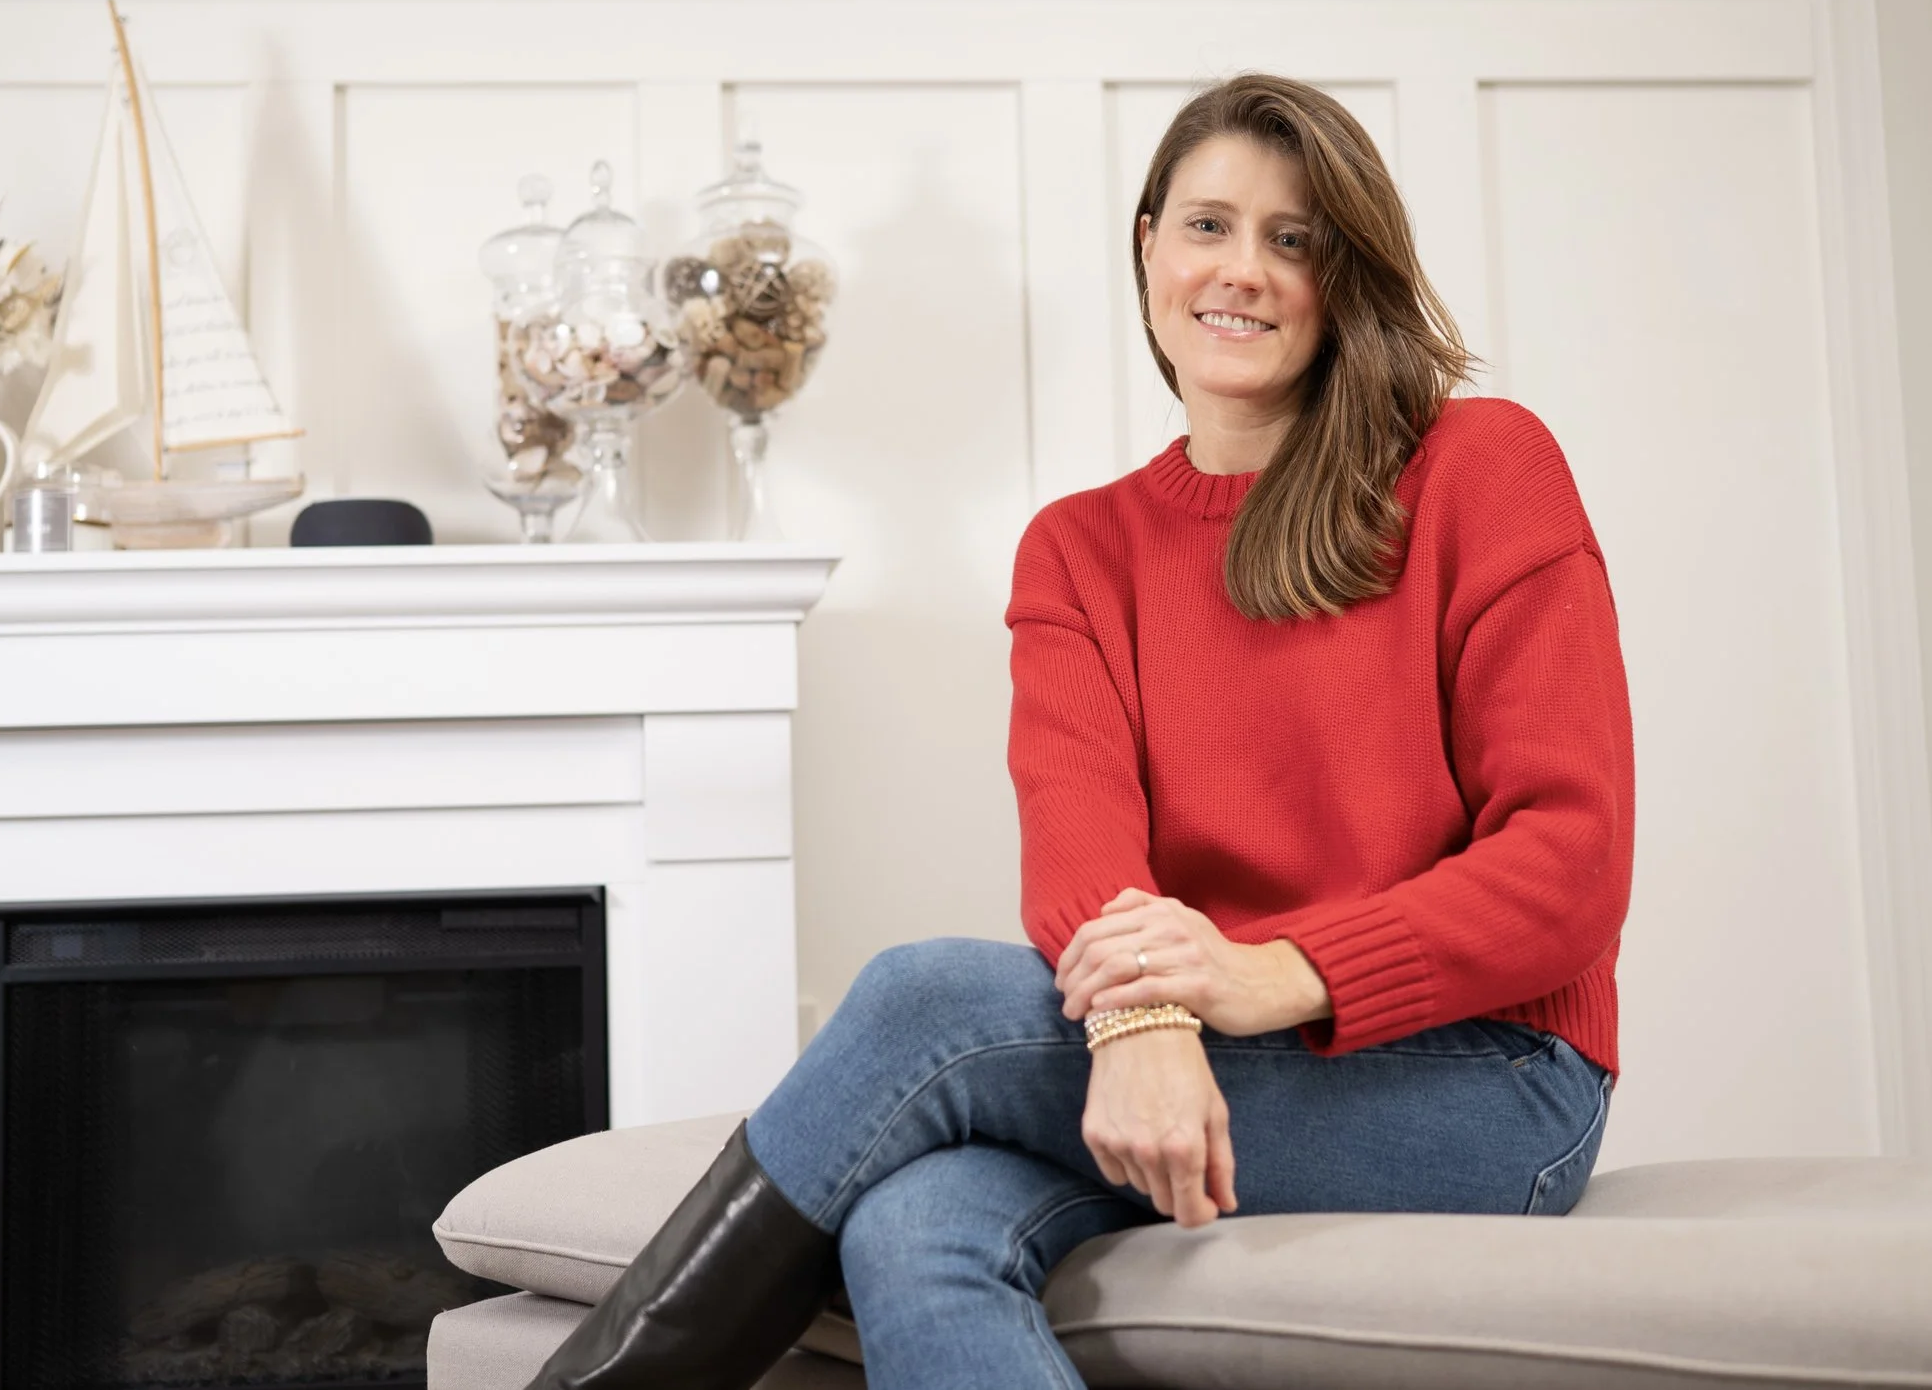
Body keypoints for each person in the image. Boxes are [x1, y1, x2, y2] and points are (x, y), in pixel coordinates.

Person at [522, 73, 1632, 1390]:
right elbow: (1078, 830)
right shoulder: (1082, 550)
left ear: (1349, 276)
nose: (1246, 269)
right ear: (1149, 245)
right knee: (915, 1221)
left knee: (924, 999)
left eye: (1296, 238)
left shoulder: (1478, 466)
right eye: (1209, 225)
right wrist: (1144, 1023)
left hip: (1481, 1080)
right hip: (1194, 1056)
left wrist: (1264, 973)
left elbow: (1570, 862)